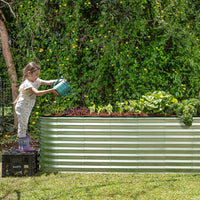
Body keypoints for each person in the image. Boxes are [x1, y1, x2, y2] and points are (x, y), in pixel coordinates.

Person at [14, 62, 59, 151]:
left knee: (24, 124)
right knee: (23, 125)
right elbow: (37, 93)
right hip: (22, 107)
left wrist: (58, 81)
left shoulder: (35, 80)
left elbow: (47, 82)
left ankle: (23, 145)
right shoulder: (27, 83)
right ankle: (23, 146)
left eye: (38, 75)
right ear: (29, 73)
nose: (37, 77)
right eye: (35, 75)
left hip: (27, 107)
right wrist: (51, 90)